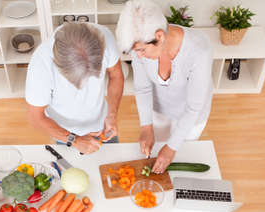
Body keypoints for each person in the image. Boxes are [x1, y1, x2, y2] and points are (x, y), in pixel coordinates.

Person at [116, 0, 213, 173]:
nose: (137, 56)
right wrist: (146, 126)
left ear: (159, 36)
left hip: (191, 114)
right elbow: (143, 88)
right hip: (159, 109)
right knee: (158, 156)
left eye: (141, 50)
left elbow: (194, 107)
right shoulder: (141, 43)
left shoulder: (199, 50)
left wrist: (172, 147)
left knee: (180, 155)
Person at [26, 22, 124, 154]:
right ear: (59, 65)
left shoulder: (104, 37)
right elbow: (35, 118)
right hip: (64, 132)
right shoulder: (41, 64)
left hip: (102, 124)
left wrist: (111, 115)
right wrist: (74, 140)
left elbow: (116, 75)